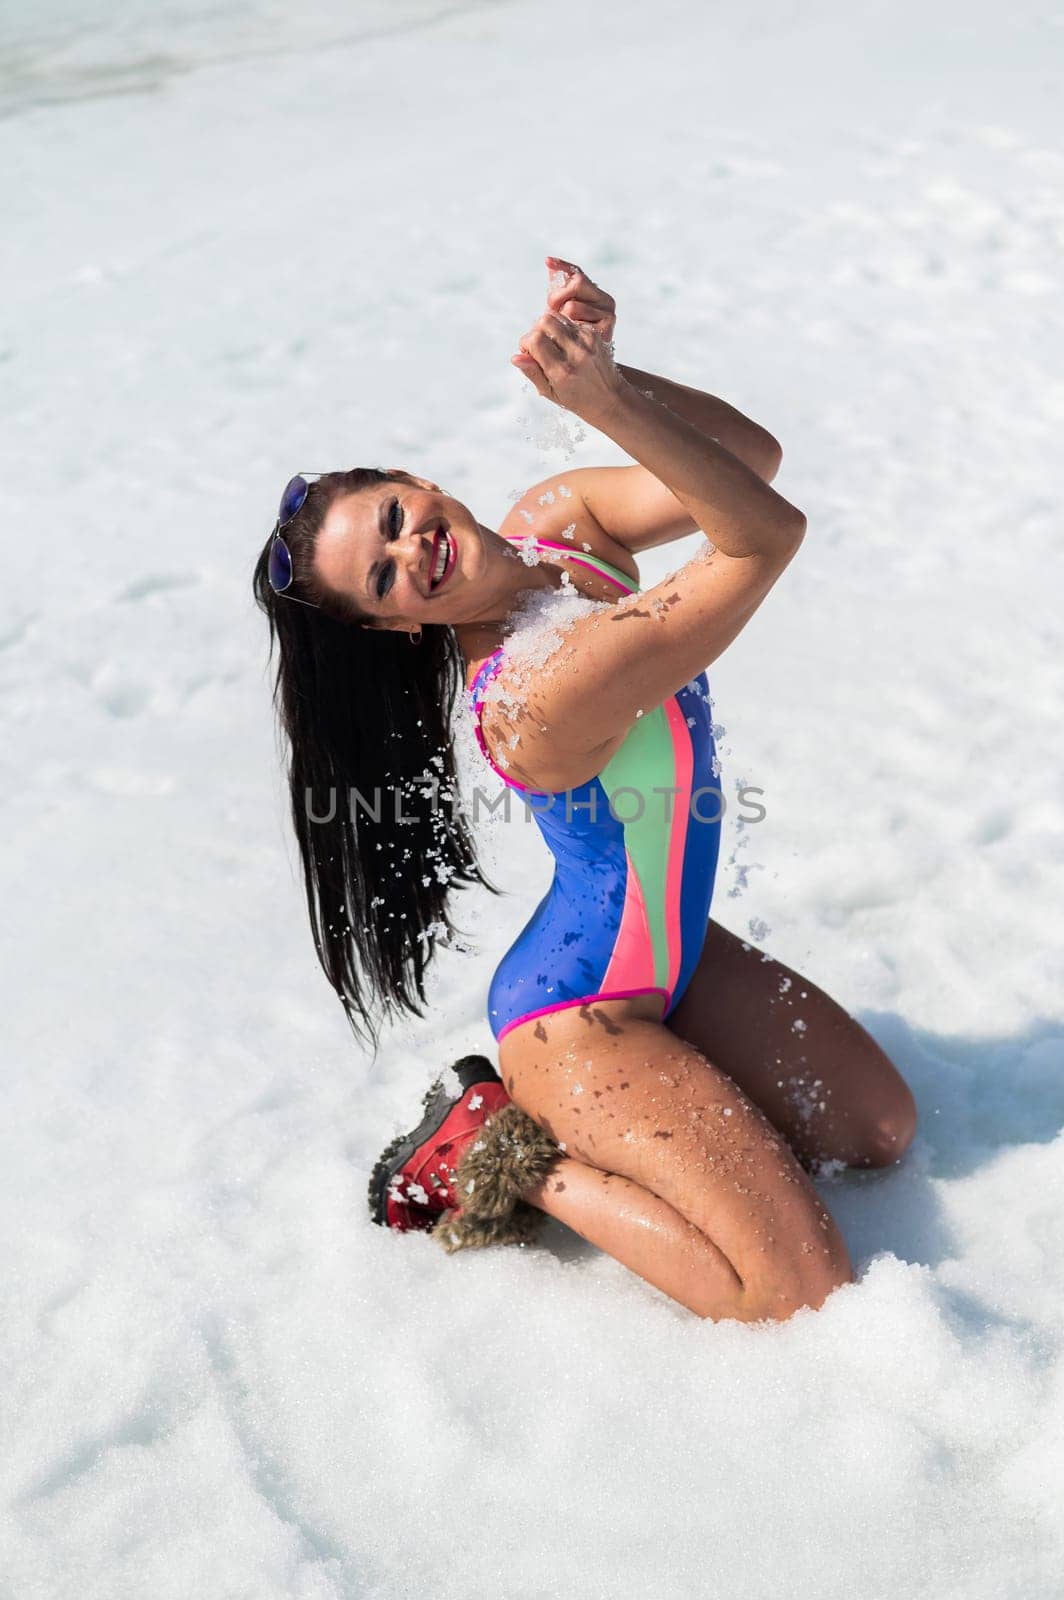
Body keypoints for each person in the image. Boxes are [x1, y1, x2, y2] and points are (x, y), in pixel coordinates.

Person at [252, 256, 917, 1322]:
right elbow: (763, 533)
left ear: (413, 480)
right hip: (581, 1012)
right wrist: (598, 405)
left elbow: (745, 460)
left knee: (877, 1131)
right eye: (379, 578)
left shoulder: (558, 521)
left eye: (390, 514)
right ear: (389, 629)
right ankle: (494, 1143)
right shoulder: (533, 695)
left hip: (676, 957)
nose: (408, 550)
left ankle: (652, 1105)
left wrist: (609, 375)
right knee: (793, 1289)